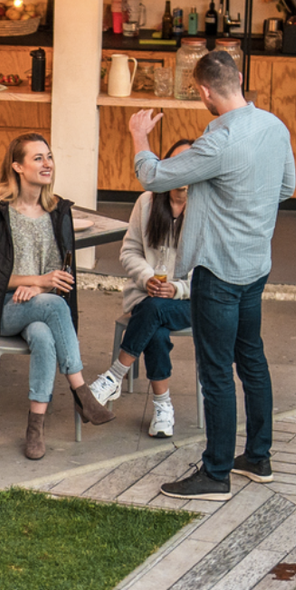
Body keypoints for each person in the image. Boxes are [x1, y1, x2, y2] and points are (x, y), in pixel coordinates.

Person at [130, 48, 295, 499]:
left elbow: (155, 176)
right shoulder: (274, 127)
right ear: (239, 78)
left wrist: (139, 135)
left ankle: (216, 472)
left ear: (203, 91)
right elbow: (286, 187)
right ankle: (258, 457)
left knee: (217, 371)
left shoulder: (218, 143)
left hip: (218, 271)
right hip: (255, 264)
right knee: (252, 361)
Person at [0, 134, 113, 460]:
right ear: (17, 166)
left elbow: (60, 276)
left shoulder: (56, 211)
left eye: (49, 156)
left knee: (43, 335)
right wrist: (36, 280)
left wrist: (38, 288)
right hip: (3, 309)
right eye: (37, 158)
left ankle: (35, 427)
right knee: (53, 305)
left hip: (38, 307)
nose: (47, 163)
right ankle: (82, 391)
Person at [90, 144, 194, 440]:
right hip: (146, 297)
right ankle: (163, 407)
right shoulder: (148, 202)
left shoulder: (207, 208)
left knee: (154, 311)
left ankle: (113, 376)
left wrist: (177, 288)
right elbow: (130, 251)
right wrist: (147, 277)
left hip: (190, 302)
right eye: (176, 162)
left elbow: (211, 268)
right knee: (155, 326)